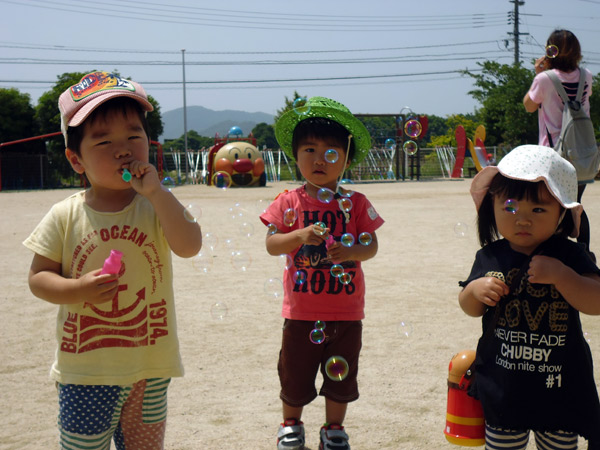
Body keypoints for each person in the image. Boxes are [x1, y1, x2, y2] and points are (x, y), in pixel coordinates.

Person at [23, 71, 202, 449]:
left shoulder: (155, 206)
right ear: (76, 159)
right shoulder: (64, 215)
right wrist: (78, 289)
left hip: (151, 367)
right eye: (103, 141)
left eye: (134, 137)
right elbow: (39, 278)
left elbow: (189, 246)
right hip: (85, 369)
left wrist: (158, 194)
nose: (124, 149)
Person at [260, 97, 384, 450]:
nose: (319, 159)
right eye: (309, 149)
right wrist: (298, 236)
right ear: (295, 155)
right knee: (295, 374)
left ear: (346, 158)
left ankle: (333, 427)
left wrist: (350, 251)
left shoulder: (356, 203)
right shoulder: (288, 202)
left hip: (345, 312)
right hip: (301, 313)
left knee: (341, 377)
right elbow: (272, 244)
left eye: (331, 151)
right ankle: (290, 423)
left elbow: (371, 247)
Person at [459, 145, 600, 449]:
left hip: (559, 386)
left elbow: (596, 302)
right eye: (510, 207)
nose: (523, 219)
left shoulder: (569, 255)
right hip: (503, 385)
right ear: (492, 208)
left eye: (538, 210)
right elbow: (468, 306)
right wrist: (475, 291)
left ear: (561, 212)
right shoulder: (490, 257)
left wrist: (564, 276)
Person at [523, 29, 594, 253]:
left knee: (550, 206)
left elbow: (529, 105)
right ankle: (584, 255)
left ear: (550, 51)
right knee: (575, 206)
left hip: (552, 153)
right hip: (581, 151)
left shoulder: (545, 79)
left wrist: (537, 73)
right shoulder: (586, 76)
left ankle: (552, 254)